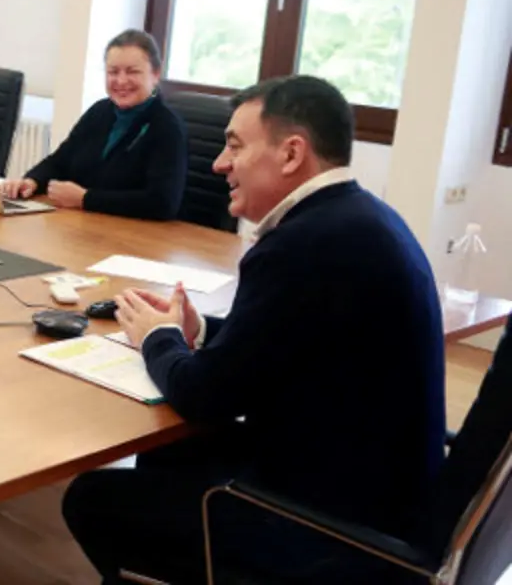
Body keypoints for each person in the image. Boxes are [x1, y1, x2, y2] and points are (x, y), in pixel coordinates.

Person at [61, 75, 446, 583]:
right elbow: (289, 341)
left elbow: (205, 396)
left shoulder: (297, 246)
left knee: (91, 498)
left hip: (329, 527)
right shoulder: (363, 219)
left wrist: (157, 338)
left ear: (291, 154)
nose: (220, 162)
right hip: (384, 495)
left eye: (235, 146)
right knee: (169, 450)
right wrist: (196, 331)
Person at [2, 29, 186, 219]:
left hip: (136, 237)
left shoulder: (166, 126)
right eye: (113, 72)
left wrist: (86, 199)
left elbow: (162, 202)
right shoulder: (100, 111)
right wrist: (32, 181)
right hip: (87, 225)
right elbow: (60, 161)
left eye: (132, 72)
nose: (121, 80)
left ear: (155, 74)